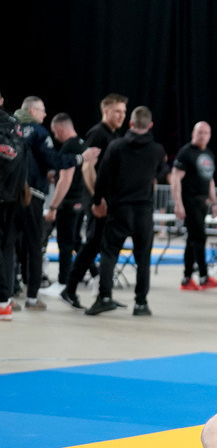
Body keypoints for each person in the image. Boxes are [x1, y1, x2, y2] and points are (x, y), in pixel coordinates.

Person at [12, 97, 98, 310]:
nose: (44, 115)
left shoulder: (11, 129)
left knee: (8, 244)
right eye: (42, 111)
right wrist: (52, 206)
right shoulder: (50, 137)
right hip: (43, 197)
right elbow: (62, 171)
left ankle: (6, 295)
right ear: (32, 111)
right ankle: (39, 293)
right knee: (49, 244)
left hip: (11, 194)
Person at [85, 106, 166, 317]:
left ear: (130, 123)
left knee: (109, 254)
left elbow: (102, 176)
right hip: (143, 211)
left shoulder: (116, 146)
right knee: (143, 259)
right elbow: (160, 172)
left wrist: (97, 201)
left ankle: (104, 298)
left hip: (119, 208)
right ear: (150, 125)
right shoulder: (157, 150)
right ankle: (141, 303)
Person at [61, 94, 128, 310]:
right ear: (105, 111)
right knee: (92, 245)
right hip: (98, 200)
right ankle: (69, 289)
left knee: (106, 246)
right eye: (118, 111)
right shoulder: (98, 133)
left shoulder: (114, 134)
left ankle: (104, 293)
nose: (122, 115)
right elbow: (87, 166)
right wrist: (96, 198)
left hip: (109, 200)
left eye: (124, 111)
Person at [171, 121, 217, 291]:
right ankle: (203, 276)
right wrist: (178, 204)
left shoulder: (208, 153)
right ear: (194, 132)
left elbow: (209, 180)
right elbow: (175, 179)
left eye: (206, 133)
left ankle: (187, 279)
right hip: (189, 200)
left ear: (210, 135)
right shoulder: (186, 153)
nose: (202, 135)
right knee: (199, 237)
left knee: (192, 240)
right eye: (200, 132)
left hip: (202, 202)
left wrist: (214, 202)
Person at [49, 113, 90, 289]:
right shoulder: (82, 144)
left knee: (65, 243)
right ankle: (94, 274)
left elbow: (65, 180)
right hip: (81, 199)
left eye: (54, 132)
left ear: (59, 128)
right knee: (76, 242)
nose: (55, 136)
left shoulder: (68, 147)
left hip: (69, 201)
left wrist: (53, 206)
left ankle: (62, 282)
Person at [0, 91, 28, 321]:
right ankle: (5, 301)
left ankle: (3, 301)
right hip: (16, 195)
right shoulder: (15, 125)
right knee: (8, 249)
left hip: (6, 195)